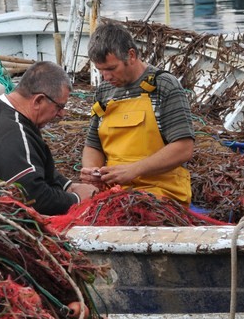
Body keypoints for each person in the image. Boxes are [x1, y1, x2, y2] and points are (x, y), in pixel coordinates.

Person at [81, 19, 195, 204]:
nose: (106, 77)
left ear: (131, 55)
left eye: (111, 68)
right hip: (114, 192)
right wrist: (92, 171)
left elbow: (183, 148)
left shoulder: (163, 85)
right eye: (101, 71)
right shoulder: (103, 92)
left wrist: (133, 170)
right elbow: (93, 144)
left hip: (161, 192)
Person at [0, 61, 97, 215]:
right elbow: (34, 198)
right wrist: (76, 199)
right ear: (38, 100)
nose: (62, 114)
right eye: (59, 107)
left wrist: (67, 185)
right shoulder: (12, 131)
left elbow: (30, 167)